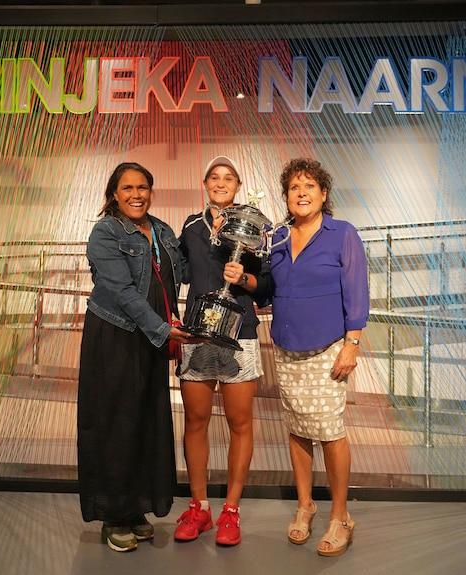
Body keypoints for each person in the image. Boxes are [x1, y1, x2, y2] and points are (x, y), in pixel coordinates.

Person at [77, 162, 200, 552]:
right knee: (116, 422)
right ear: (114, 193)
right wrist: (163, 329)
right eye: (128, 187)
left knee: (146, 421)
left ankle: (136, 508)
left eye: (143, 187)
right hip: (114, 337)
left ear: (151, 190)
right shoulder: (106, 232)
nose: (136, 194)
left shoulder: (161, 229)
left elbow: (178, 274)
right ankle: (115, 514)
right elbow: (123, 293)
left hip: (150, 337)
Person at [258, 157, 369, 557]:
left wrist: (351, 343)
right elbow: (268, 289)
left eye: (309, 187)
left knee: (330, 430)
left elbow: (356, 288)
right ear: (286, 197)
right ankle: (305, 505)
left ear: (324, 194)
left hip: (328, 348)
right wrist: (246, 280)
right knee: (298, 427)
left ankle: (340, 516)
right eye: (293, 188)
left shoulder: (342, 234)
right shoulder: (276, 238)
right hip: (286, 347)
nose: (301, 193)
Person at [173, 155, 271, 546]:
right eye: (214, 176)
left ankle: (231, 511)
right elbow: (179, 272)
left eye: (228, 177)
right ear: (205, 182)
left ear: (238, 184)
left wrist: (244, 278)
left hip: (240, 332)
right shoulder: (192, 226)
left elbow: (267, 285)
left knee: (239, 423)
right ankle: (200, 507)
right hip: (198, 333)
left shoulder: (256, 227)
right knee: (195, 420)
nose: (220, 182)